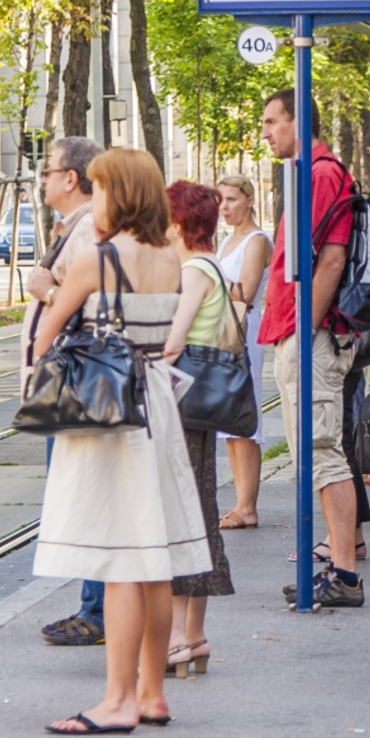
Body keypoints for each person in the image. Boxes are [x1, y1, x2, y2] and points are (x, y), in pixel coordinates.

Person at [30, 149, 209, 733]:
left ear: (119, 194)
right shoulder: (169, 255)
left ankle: (116, 700)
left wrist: (43, 288)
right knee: (154, 559)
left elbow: (44, 342)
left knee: (120, 559)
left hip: (109, 414)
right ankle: (153, 693)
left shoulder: (98, 260)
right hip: (156, 401)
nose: (96, 200)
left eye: (102, 190)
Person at [256, 88, 364, 609]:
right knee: (316, 452)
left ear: (301, 122)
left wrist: (305, 329)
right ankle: (340, 566)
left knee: (322, 452)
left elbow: (332, 258)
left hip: (311, 334)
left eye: (274, 120)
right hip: (302, 330)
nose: (267, 130)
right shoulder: (311, 172)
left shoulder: (320, 174)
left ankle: (344, 572)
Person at [25, 135, 109, 650]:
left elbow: (93, 309)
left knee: (87, 499)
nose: (43, 179)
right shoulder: (74, 228)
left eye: (48, 171)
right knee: (81, 498)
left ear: (71, 178)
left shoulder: (89, 233)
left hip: (77, 385)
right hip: (71, 383)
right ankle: (93, 606)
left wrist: (47, 292)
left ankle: (96, 611)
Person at [161, 181, 239, 675]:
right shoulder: (212, 265)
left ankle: (178, 637)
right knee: (199, 508)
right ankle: (194, 636)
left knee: (182, 515)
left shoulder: (193, 270)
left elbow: (174, 340)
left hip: (182, 404)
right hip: (201, 405)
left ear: (178, 224)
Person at [213, 174, 273, 530]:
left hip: (243, 332)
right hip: (224, 331)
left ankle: (247, 504)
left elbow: (245, 292)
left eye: (232, 199)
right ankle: (240, 501)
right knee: (228, 423)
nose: (225, 207)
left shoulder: (255, 241)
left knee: (244, 419)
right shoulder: (225, 240)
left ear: (249, 200)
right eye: (221, 200)